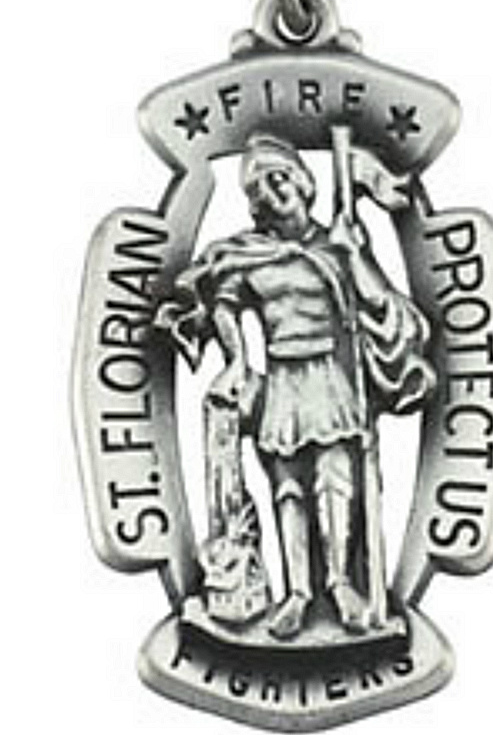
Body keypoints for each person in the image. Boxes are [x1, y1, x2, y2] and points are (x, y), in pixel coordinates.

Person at [156, 135, 435, 639]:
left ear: (304, 183)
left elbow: (384, 305)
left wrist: (355, 256)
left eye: (279, 178)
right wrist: (237, 360)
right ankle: (298, 593)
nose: (272, 192)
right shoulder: (251, 254)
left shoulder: (336, 244)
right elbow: (223, 302)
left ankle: (341, 585)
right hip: (283, 376)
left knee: (334, 478)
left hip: (329, 374)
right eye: (259, 188)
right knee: (287, 486)